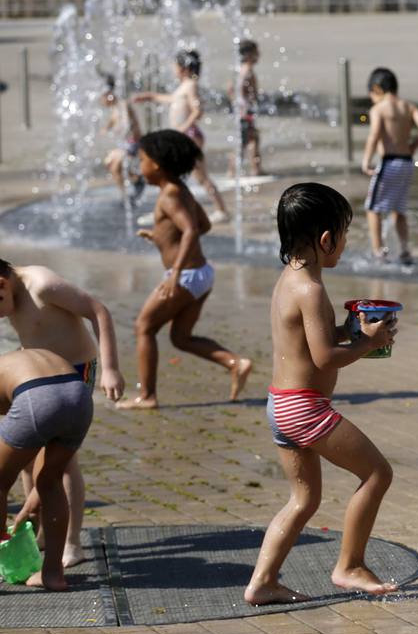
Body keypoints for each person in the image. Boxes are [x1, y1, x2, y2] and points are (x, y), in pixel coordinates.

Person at [245, 182, 398, 605]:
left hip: (280, 404)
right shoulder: (311, 290)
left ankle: (262, 582)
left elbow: (310, 342)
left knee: (303, 499)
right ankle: (349, 565)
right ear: (326, 239)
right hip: (305, 409)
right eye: (344, 235)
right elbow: (326, 358)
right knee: (377, 474)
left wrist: (351, 331)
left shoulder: (289, 280)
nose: (345, 245)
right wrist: (366, 343)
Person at [116, 130, 252, 411]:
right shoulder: (181, 189)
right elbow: (204, 224)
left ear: (156, 164)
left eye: (141, 160)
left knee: (144, 327)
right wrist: (161, 238)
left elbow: (191, 229)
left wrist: (176, 270)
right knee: (181, 338)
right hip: (202, 274)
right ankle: (234, 362)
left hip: (185, 276)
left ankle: (147, 396)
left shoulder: (169, 195)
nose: (138, 166)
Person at [0, 259, 123, 569]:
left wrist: (110, 368)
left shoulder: (42, 284)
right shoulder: (10, 293)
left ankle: (72, 542)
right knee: (29, 460)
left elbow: (98, 311)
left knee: (63, 463)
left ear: (2, 284)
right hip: (38, 381)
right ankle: (41, 531)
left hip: (74, 374)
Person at [0, 348, 94, 592]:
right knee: (50, 482)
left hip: (36, 396)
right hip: (79, 395)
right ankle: (53, 575)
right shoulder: (20, 358)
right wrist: (30, 506)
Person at [132, 50, 231, 224]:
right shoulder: (184, 86)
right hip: (185, 138)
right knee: (173, 175)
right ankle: (166, 211)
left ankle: (221, 211)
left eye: (175, 66)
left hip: (189, 138)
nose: (173, 69)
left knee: (188, 176)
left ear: (184, 68)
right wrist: (151, 96)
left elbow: (197, 111)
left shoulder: (191, 85)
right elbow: (172, 99)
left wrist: (182, 129)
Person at [360, 67, 418, 267]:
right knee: (398, 209)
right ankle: (405, 251)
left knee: (373, 208)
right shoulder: (408, 106)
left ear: (376, 89)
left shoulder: (379, 109)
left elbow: (374, 135)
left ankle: (378, 252)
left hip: (389, 162)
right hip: (406, 162)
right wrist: (413, 146)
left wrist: (366, 159)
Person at [101, 76, 145, 205]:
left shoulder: (123, 105)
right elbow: (112, 120)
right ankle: (136, 179)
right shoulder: (115, 108)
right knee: (110, 164)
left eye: (102, 98)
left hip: (133, 142)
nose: (101, 102)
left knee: (114, 167)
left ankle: (126, 197)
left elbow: (126, 124)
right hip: (124, 143)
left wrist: (116, 129)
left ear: (109, 96)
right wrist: (106, 128)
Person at [229, 40, 263, 178]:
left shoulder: (239, 69)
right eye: (256, 52)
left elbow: (230, 88)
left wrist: (235, 102)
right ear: (248, 54)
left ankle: (239, 170)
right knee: (249, 140)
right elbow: (239, 88)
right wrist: (245, 104)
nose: (259, 55)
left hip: (242, 110)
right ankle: (251, 170)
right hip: (246, 111)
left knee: (247, 139)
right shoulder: (247, 70)